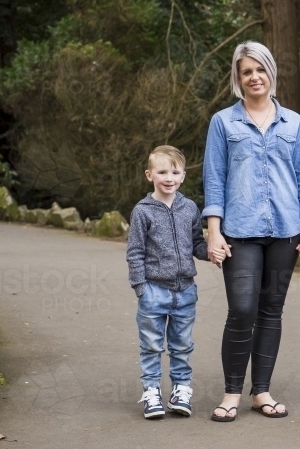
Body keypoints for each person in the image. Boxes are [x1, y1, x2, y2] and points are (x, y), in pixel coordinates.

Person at [202, 41, 300, 422]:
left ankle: (262, 391)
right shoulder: (224, 122)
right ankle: (231, 393)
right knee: (241, 310)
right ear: (238, 79)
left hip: (286, 230)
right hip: (239, 231)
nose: (254, 77)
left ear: (271, 72)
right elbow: (214, 179)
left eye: (260, 70)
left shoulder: (294, 123)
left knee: (271, 311)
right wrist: (214, 232)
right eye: (246, 72)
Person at [127, 145, 208, 419]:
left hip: (185, 291)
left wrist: (213, 252)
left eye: (175, 172)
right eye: (162, 172)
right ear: (150, 175)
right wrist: (141, 288)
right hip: (154, 291)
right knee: (151, 345)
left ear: (183, 176)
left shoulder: (190, 208)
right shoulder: (143, 211)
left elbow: (197, 243)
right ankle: (151, 393)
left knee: (182, 345)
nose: (169, 177)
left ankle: (181, 390)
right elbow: (135, 251)